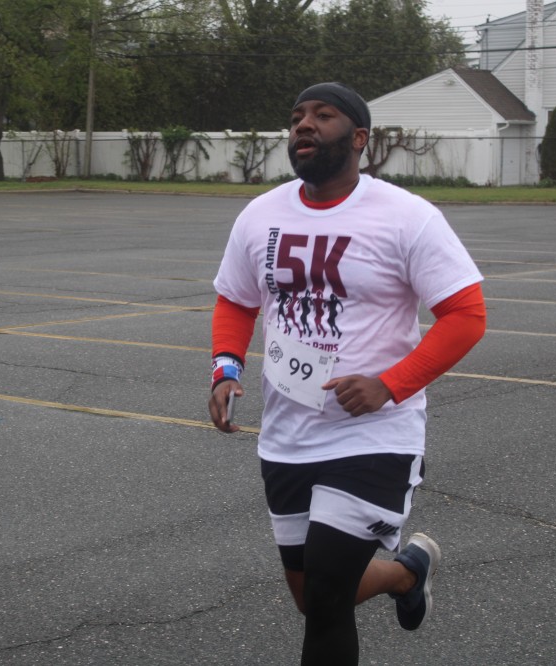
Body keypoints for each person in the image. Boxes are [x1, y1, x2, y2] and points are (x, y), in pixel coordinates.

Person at [207, 82, 487, 665]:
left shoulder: (407, 216)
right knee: (310, 597)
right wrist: (226, 368)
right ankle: (406, 574)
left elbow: (466, 315)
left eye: (323, 115)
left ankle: (398, 573)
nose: (304, 125)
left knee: (327, 601)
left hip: (374, 435)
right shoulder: (261, 214)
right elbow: (235, 299)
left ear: (359, 138)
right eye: (296, 117)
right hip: (288, 436)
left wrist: (390, 384)